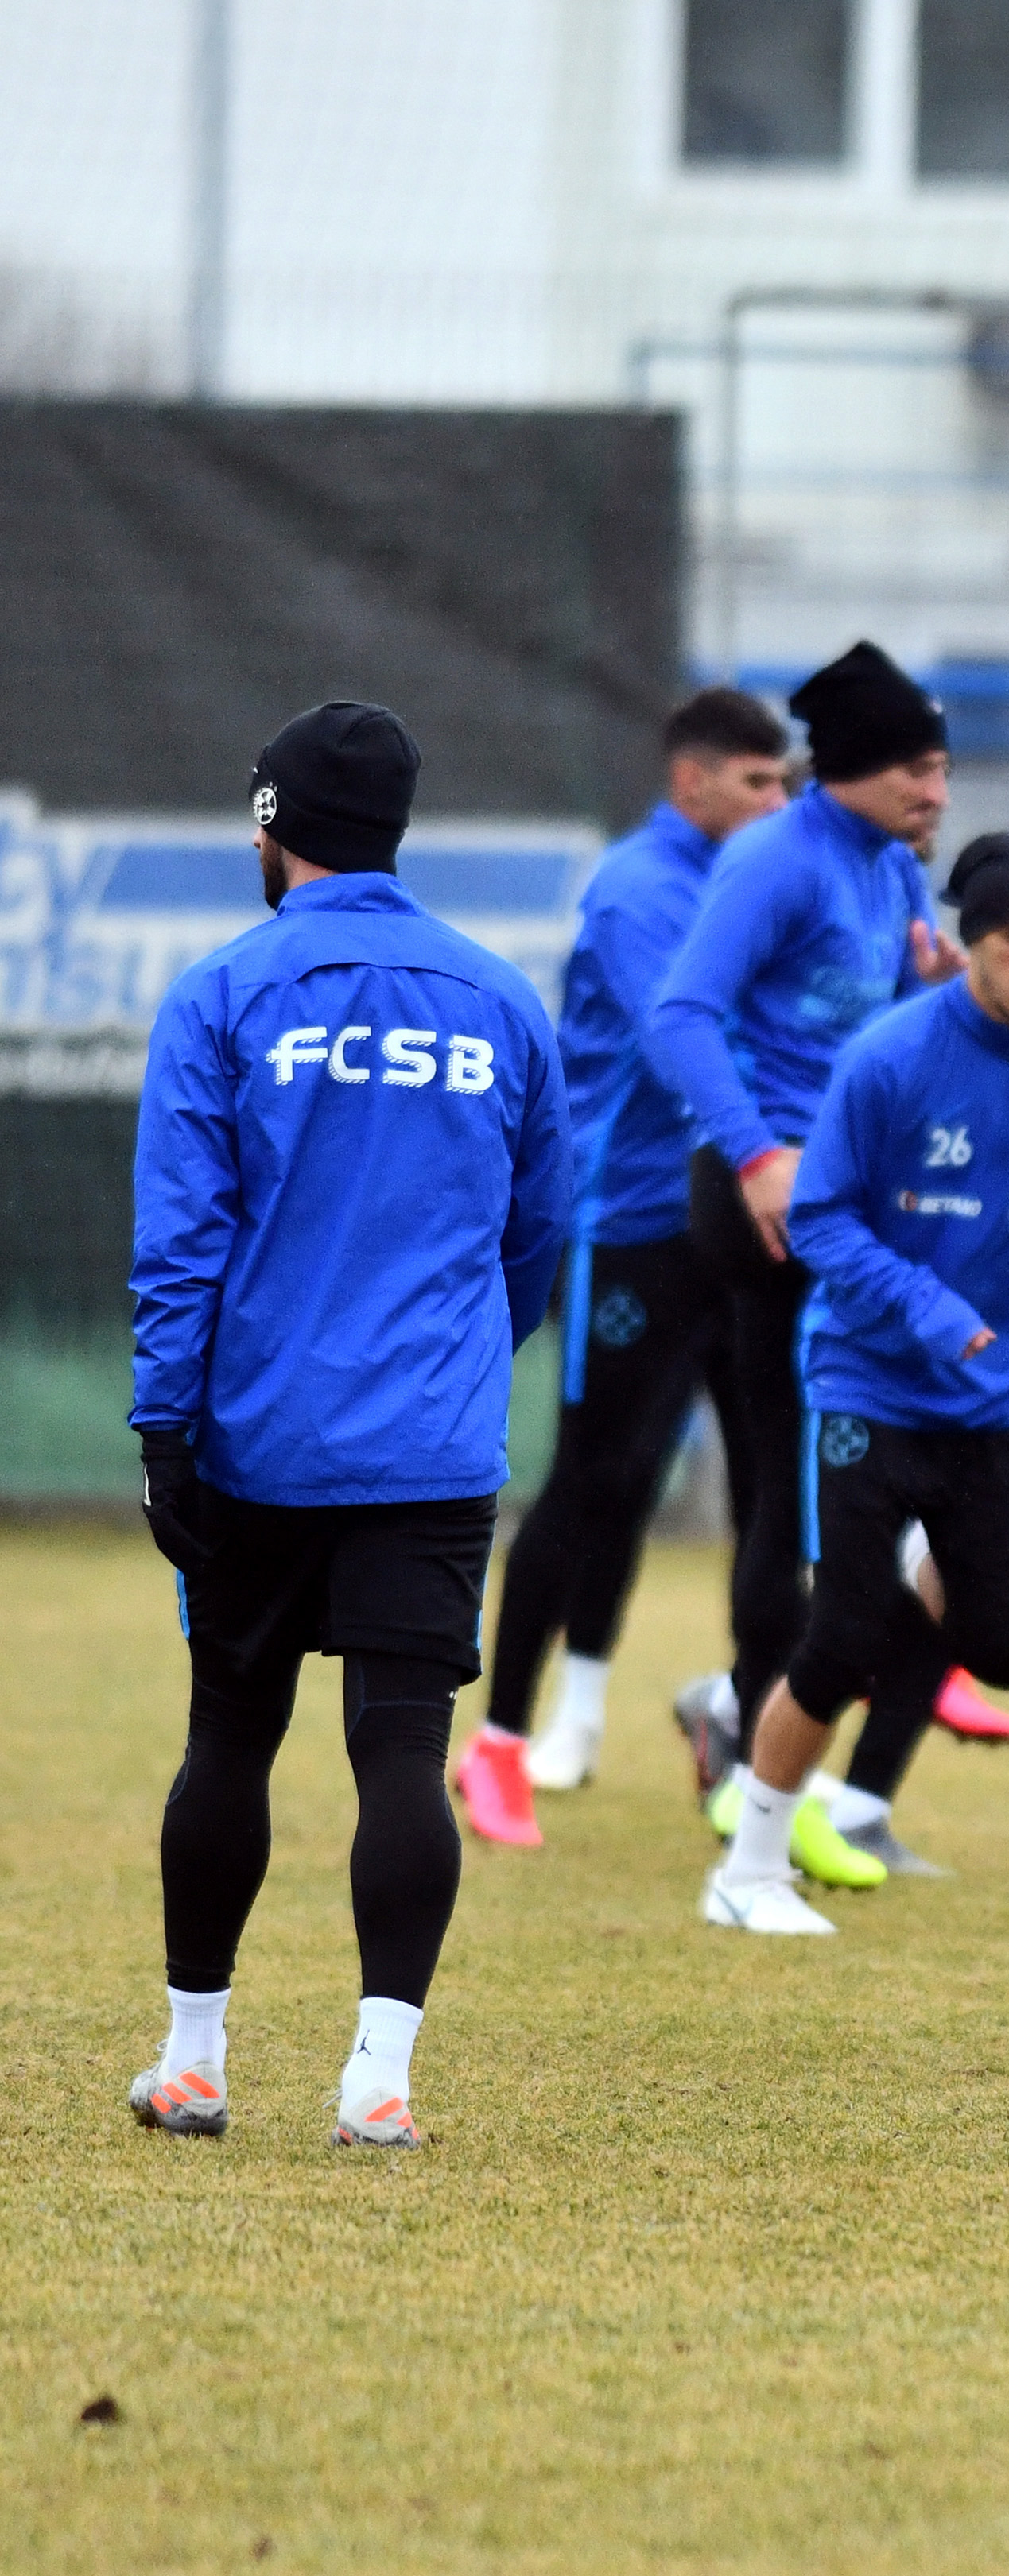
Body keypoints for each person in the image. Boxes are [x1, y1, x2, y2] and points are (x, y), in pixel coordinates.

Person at [125, 701, 569, 2144]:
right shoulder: (503, 1002)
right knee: (400, 1751)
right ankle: (378, 2082)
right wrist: (456, 1360)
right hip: (430, 1448)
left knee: (229, 1740)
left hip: (259, 1438)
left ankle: (195, 2058)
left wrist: (163, 1426)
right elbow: (540, 1233)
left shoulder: (225, 994)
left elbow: (184, 1239)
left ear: (271, 828)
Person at [700, 828, 1009, 1936]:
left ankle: (929, 1563)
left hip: (999, 1398)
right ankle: (747, 1867)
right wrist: (925, 1304)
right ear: (968, 943)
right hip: (871, 1384)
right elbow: (819, 1217)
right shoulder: (887, 1057)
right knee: (838, 1637)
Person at [449, 689, 790, 1849]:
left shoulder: (758, 879)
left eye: (788, 784)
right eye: (758, 782)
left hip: (745, 1227)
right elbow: (686, 1037)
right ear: (691, 783)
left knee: (765, 1484)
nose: (779, 802)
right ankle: (499, 1742)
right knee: (598, 1478)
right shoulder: (644, 887)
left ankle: (747, 1735)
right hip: (634, 1225)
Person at [645, 642, 957, 1825]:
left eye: (942, 770)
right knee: (796, 1480)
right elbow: (681, 1018)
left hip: (849, 1200)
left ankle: (766, 1732)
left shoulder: (892, 869)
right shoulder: (776, 859)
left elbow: (870, 1022)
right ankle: (755, 1751)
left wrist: (935, 984)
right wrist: (760, 1152)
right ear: (861, 769)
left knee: (858, 1480)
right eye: (919, 771)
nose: (937, 792)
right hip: (764, 1204)